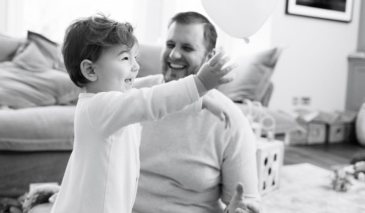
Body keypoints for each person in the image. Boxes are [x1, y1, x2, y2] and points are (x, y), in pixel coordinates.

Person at [49, 13, 236, 213]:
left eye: (135, 58)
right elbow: (150, 101)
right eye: (125, 58)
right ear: (90, 70)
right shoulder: (99, 107)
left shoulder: (112, 107)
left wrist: (199, 102)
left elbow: (145, 101)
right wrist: (199, 84)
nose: (136, 66)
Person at [132, 12, 261, 213]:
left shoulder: (230, 119)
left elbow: (246, 201)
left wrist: (242, 210)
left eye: (187, 47)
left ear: (210, 57)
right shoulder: (132, 95)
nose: (174, 54)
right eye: (170, 44)